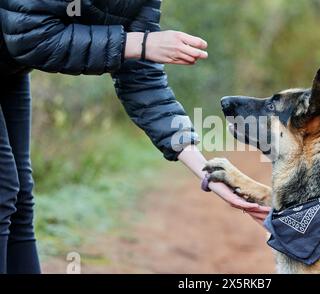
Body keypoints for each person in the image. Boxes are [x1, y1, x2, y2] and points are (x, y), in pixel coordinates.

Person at [0, 0, 269, 274]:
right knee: (3, 188)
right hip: (14, 54)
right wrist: (140, 44)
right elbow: (28, 35)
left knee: (20, 195)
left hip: (10, 70)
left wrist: (208, 173)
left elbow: (142, 81)